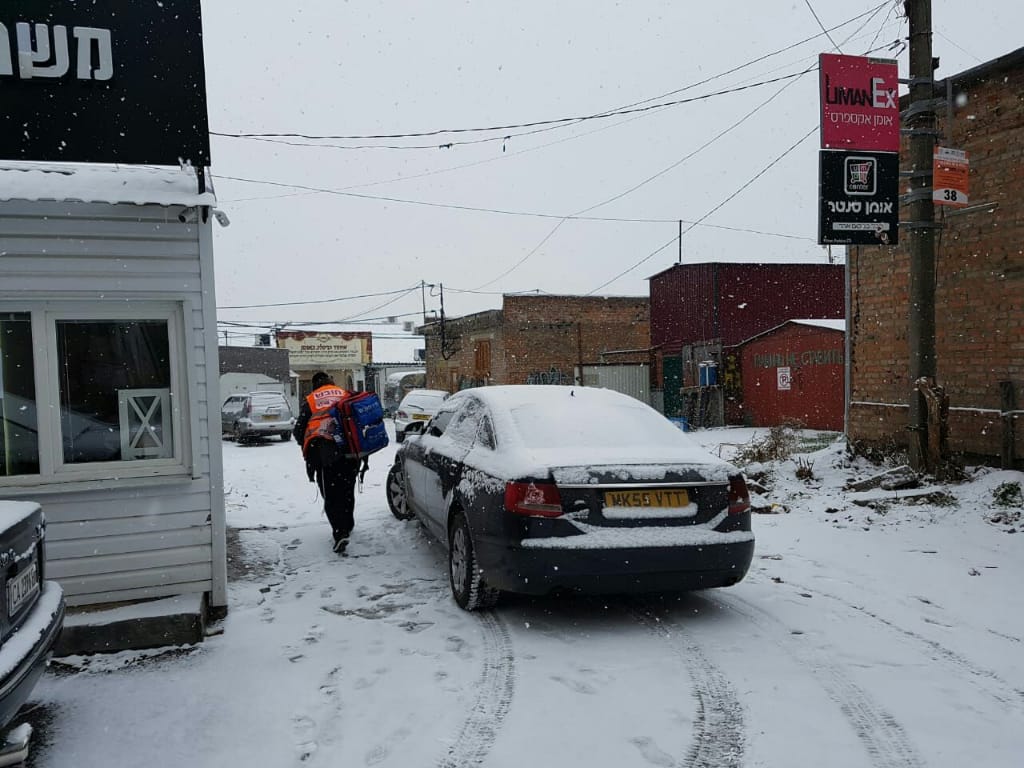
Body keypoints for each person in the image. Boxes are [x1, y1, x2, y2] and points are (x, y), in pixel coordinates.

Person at [293, 371, 360, 553]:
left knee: (331, 494)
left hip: (325, 455)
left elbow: (299, 430)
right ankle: (348, 523)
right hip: (350, 452)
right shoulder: (344, 394)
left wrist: (307, 442)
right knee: (347, 490)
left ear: (315, 385)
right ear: (330, 381)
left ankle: (340, 532)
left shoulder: (311, 399)